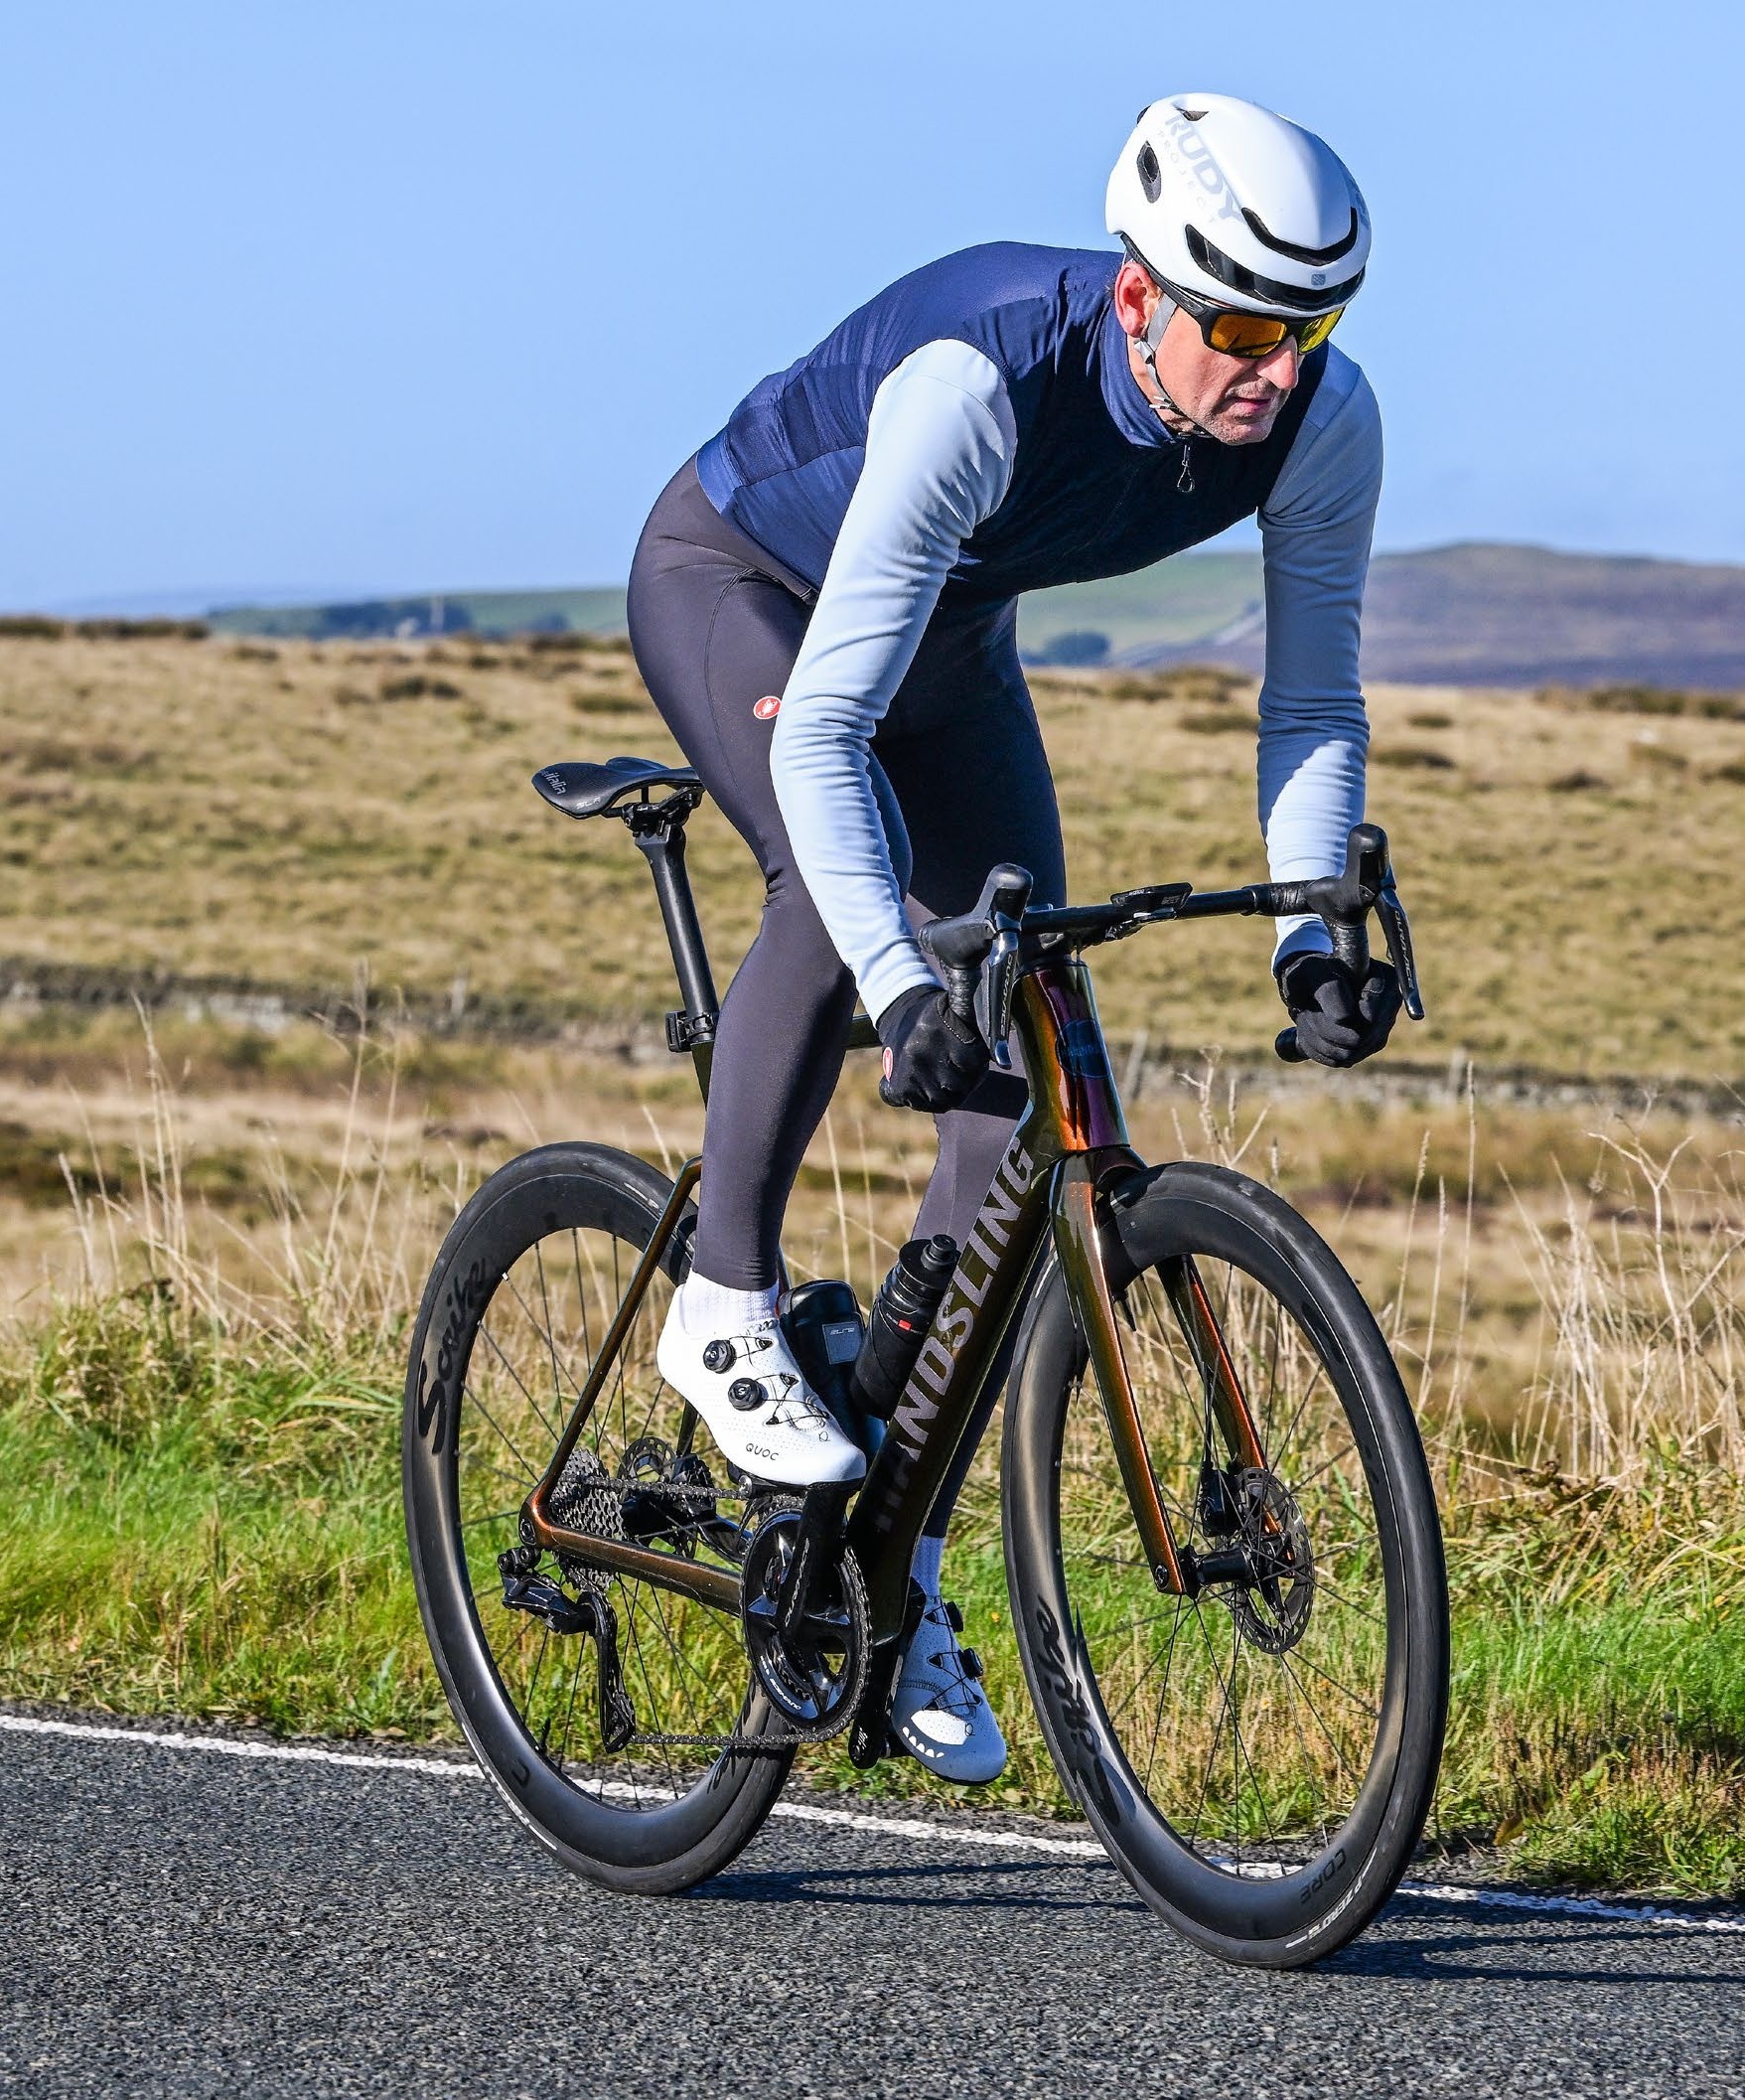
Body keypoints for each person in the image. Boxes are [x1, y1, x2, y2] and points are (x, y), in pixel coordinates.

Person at [626, 93, 1400, 1784]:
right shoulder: (980, 385)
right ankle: (724, 1296)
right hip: (742, 581)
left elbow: (1314, 698)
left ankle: (877, 1553)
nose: (1278, 370)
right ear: (1140, 299)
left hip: (949, 637)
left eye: (1311, 328)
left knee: (1031, 1072)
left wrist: (1308, 930)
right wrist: (903, 986)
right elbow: (823, 733)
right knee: (843, 906)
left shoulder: (1323, 427)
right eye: (1246, 328)